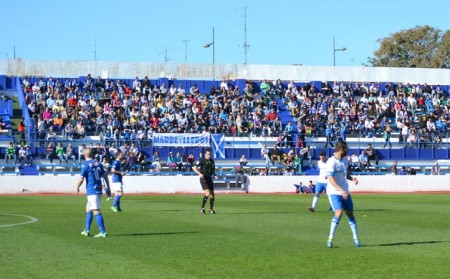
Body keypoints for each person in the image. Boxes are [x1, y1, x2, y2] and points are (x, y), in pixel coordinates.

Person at [325, 141, 361, 248]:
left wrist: (352, 178)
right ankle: (330, 238)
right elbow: (331, 179)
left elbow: (345, 174)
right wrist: (341, 190)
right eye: (346, 149)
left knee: (350, 214)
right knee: (339, 213)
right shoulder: (331, 162)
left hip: (345, 191)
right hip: (334, 192)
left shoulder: (344, 161)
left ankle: (356, 238)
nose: (347, 151)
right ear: (341, 149)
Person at [76, 148, 109, 238]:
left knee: (96, 210)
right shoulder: (98, 163)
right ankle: (87, 230)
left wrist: (77, 187)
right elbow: (105, 175)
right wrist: (108, 187)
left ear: (84, 155)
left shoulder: (86, 164)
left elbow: (81, 178)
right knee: (88, 208)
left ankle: (103, 231)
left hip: (92, 191)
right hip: (98, 190)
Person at [193, 149, 218, 214]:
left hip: (209, 178)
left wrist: (215, 175)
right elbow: (194, 167)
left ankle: (211, 209)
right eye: (208, 154)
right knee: (208, 193)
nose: (209, 155)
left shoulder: (212, 161)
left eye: (210, 154)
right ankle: (202, 208)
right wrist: (200, 174)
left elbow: (213, 170)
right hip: (203, 178)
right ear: (205, 154)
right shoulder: (202, 160)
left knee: (212, 194)